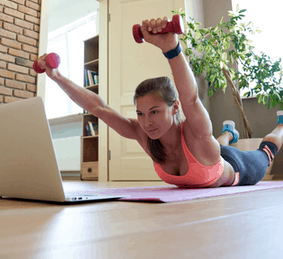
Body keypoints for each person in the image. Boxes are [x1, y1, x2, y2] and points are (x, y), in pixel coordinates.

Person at [37, 17, 283, 188]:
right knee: (211, 145)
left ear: (174, 107)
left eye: (154, 111)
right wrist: (56, 76)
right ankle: (229, 134)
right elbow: (98, 108)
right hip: (208, 151)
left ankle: (280, 125)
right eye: (141, 114)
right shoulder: (144, 136)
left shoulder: (194, 129)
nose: (146, 122)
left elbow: (191, 97)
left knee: (266, 152)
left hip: (236, 167)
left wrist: (171, 47)